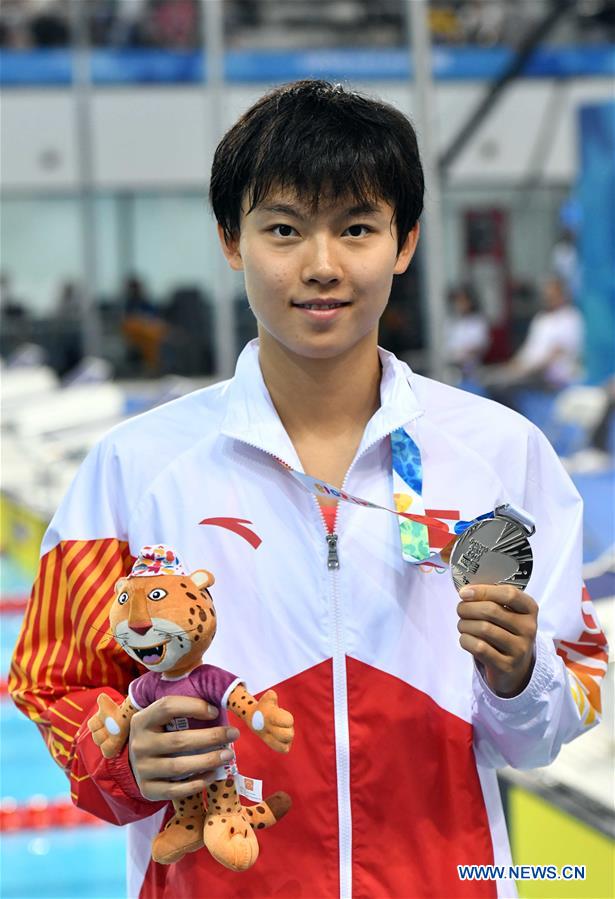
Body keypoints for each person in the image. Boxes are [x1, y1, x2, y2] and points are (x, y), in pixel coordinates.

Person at [9, 80, 607, 899]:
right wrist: (119, 754)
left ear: (404, 243)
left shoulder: (499, 455)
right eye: (284, 230)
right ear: (231, 240)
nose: (321, 266)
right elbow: (52, 678)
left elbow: (552, 714)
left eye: (356, 228)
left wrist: (518, 676)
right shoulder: (135, 467)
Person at [445, 282, 490, 377]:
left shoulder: (478, 321)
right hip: (452, 369)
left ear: (470, 301)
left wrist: (463, 354)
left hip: (473, 369)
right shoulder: (451, 321)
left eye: (463, 301)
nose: (460, 304)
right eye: (457, 301)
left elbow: (479, 346)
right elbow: (448, 347)